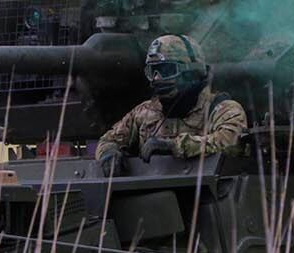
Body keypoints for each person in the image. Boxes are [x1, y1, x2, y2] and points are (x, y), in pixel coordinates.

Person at [94, 35, 248, 176]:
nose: (157, 79)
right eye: (153, 72)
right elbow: (107, 140)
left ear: (191, 71)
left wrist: (174, 146)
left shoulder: (223, 109)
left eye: (166, 70)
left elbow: (231, 143)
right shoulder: (144, 112)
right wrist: (109, 152)